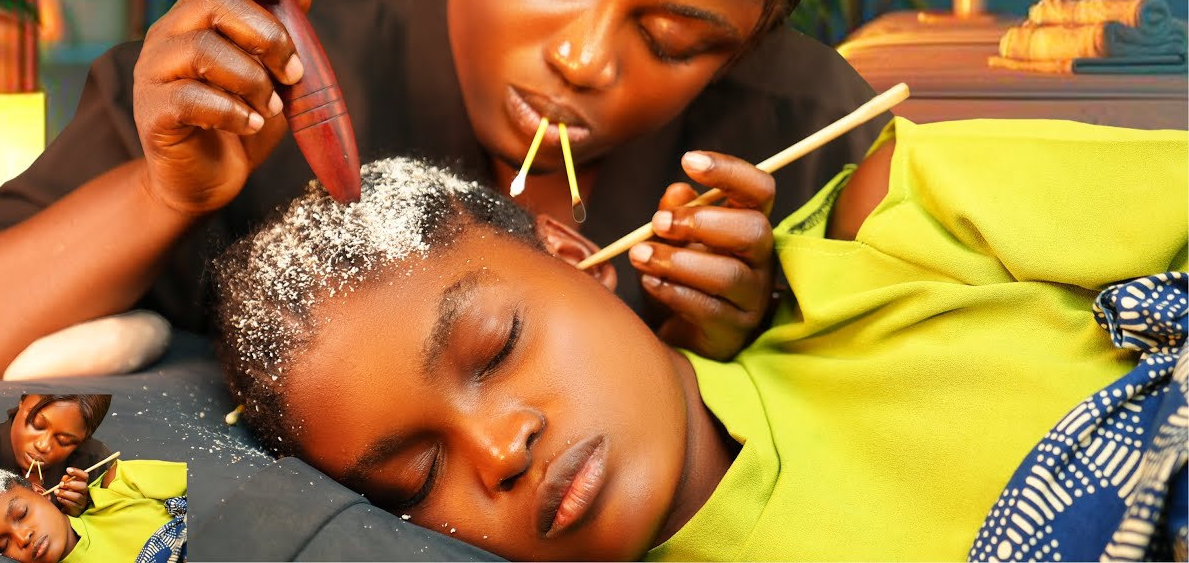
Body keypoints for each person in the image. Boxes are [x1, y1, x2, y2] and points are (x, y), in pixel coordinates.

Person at [0, 0, 883, 392]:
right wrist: (157, 193)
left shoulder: (803, 129)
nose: (581, 58)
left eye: (674, 38)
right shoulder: (240, 90)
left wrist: (753, 341)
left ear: (752, 35)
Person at [213, 117, 1187, 561]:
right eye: (417, 483)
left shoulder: (892, 236)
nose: (497, 449)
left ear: (575, 255)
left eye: (497, 346)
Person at [0, 459, 188, 563]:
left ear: (41, 492)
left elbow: (214, 485)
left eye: (22, 514)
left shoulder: (117, 487)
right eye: (2, 545)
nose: (22, 538)